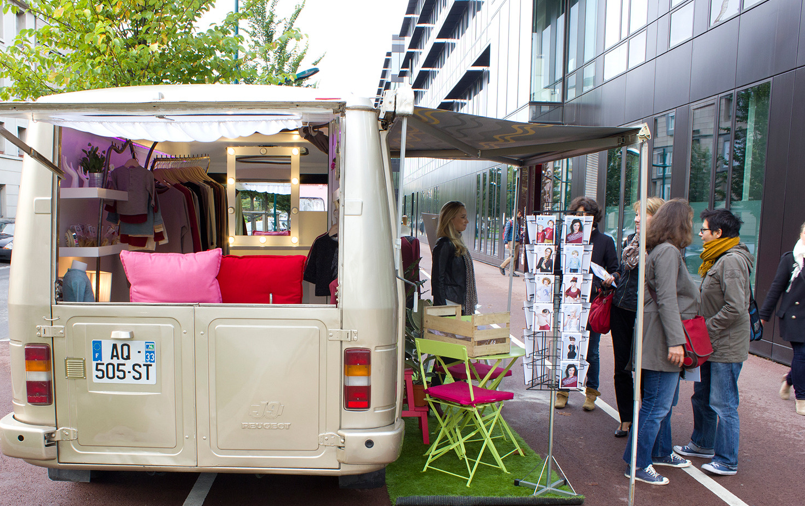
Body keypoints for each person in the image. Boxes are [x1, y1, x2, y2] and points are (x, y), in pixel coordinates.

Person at [622, 198, 698, 485]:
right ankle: (638, 464)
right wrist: (676, 341)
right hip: (662, 338)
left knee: (656, 405)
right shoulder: (667, 252)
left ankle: (652, 456)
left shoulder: (663, 250)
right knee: (656, 406)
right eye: (689, 220)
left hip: (659, 335)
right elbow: (666, 298)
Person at [674, 209, 753, 476]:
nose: (700, 235)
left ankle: (727, 459)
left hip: (725, 346)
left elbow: (736, 307)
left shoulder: (731, 261)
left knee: (724, 403)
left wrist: (705, 330)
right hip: (712, 344)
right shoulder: (718, 258)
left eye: (704, 230)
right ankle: (702, 443)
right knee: (701, 397)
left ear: (718, 233)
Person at [610, 197, 665, 438]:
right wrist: (613, 275)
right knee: (621, 366)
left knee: (644, 368)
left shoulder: (662, 246)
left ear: (658, 216)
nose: (637, 218)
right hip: (620, 308)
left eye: (643, 214)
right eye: (636, 214)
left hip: (645, 313)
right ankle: (626, 418)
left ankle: (645, 420)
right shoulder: (630, 241)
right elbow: (624, 270)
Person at [556, 197, 617, 411]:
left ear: (594, 217)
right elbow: (557, 269)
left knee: (592, 352)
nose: (582, 219)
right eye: (578, 215)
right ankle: (563, 390)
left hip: (592, 304)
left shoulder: (605, 241)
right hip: (569, 303)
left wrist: (606, 280)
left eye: (586, 215)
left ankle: (591, 392)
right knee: (568, 348)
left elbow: (616, 269)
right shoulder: (567, 239)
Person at [760, 221, 805, 416]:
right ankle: (801, 397)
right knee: (802, 355)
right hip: (794, 317)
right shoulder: (791, 259)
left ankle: (789, 379)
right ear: (801, 234)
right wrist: (763, 315)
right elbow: (776, 288)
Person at [431, 201, 478, 316]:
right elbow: (437, 279)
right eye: (463, 217)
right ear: (450, 219)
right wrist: (442, 309)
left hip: (460, 303)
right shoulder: (444, 244)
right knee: (452, 334)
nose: (466, 221)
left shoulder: (457, 243)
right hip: (450, 304)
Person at [499, 211, 523, 277]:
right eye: (519, 214)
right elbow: (506, 232)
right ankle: (502, 266)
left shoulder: (516, 222)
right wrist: (505, 242)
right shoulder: (510, 222)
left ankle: (512, 272)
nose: (520, 215)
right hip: (511, 241)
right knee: (513, 256)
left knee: (515, 257)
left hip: (516, 241)